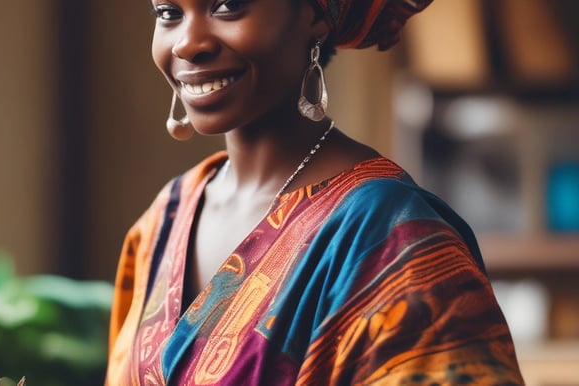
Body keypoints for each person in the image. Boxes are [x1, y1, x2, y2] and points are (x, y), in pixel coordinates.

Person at [106, 0, 525, 384]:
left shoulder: (393, 239)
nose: (188, 43)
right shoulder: (165, 217)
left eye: (228, 5)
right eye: (168, 13)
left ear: (315, 15)